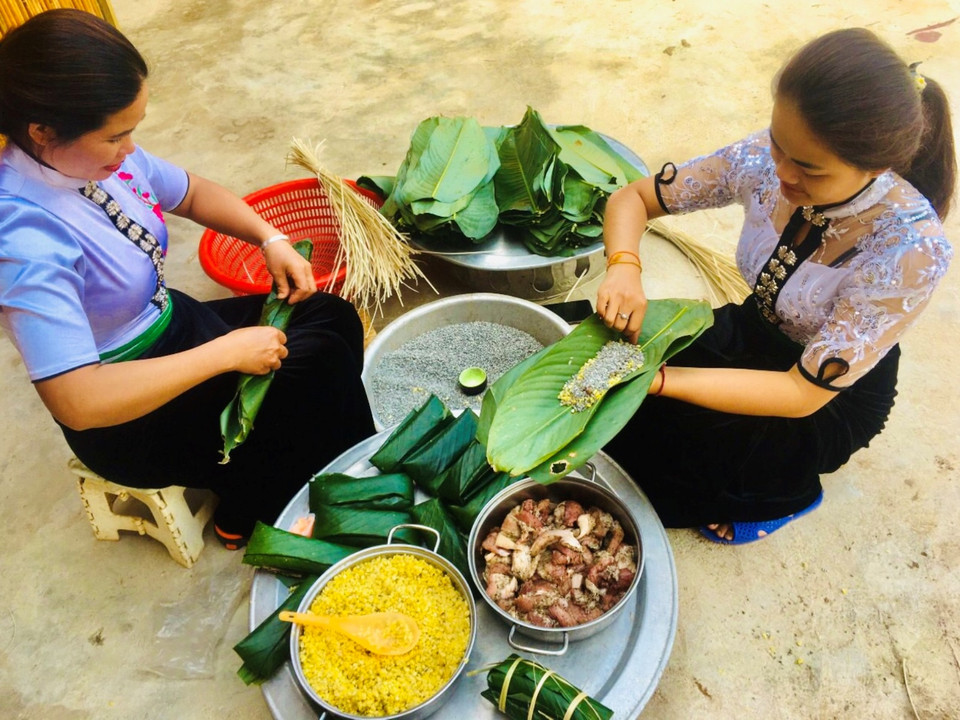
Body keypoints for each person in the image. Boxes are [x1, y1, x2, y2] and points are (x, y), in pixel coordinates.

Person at [0, 9, 375, 549]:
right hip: (128, 410)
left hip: (173, 322)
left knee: (331, 317)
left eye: (133, 130)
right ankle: (251, 506)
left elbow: (191, 193)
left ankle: (295, 468)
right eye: (115, 136)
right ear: (42, 132)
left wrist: (270, 240)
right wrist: (225, 354)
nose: (129, 149)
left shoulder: (96, 158)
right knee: (315, 369)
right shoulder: (22, 238)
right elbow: (77, 400)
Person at [597, 28, 955, 544]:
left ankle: (787, 495)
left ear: (876, 167)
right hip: (751, 330)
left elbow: (799, 392)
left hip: (823, 400)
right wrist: (625, 266)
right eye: (776, 142)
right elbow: (632, 200)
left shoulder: (911, 249)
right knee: (592, 376)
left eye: (808, 168)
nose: (779, 170)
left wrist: (655, 380)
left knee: (660, 476)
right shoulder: (764, 160)